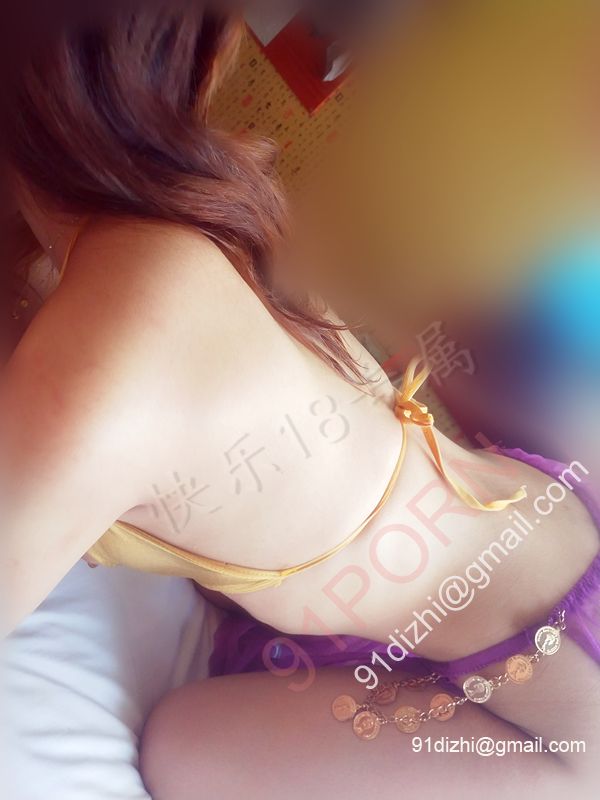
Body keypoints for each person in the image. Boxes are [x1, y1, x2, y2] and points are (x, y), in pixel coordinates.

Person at [1, 2, 598, 797]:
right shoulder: (191, 182)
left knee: (187, 748)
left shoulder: (102, 366)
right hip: (533, 531)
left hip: (564, 723)